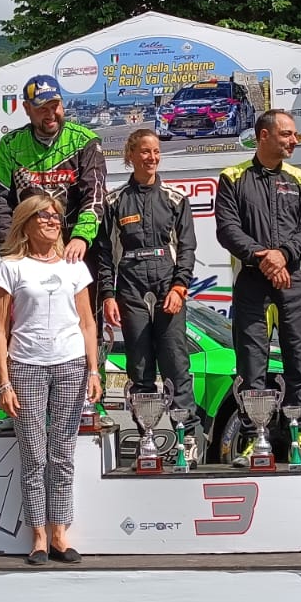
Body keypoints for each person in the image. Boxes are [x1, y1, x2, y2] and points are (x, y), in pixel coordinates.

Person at [0, 194, 103, 565]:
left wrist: (94, 369)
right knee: (33, 453)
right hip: (26, 365)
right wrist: (4, 381)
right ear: (26, 223)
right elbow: (0, 328)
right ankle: (38, 536)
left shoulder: (75, 266)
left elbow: (88, 323)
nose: (53, 221)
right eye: (44, 216)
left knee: (62, 454)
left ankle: (60, 532)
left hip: (71, 364)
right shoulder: (11, 267)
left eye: (57, 216)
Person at [216, 109, 301, 467]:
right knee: (251, 365)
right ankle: (254, 440)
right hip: (251, 282)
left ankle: (300, 438)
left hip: (294, 282)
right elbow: (227, 229)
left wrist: (283, 255)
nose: (294, 140)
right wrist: (263, 258)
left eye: (294, 134)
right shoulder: (233, 177)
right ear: (264, 135)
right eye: (286, 134)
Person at [98, 129, 196, 411]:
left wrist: (179, 287)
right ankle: (146, 431)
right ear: (131, 155)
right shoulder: (114, 201)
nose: (152, 157)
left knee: (175, 361)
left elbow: (187, 248)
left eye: (156, 152)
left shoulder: (175, 198)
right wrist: (108, 295)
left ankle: (185, 430)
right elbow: (105, 253)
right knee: (139, 364)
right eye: (145, 151)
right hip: (130, 284)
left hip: (168, 283)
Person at [0, 74, 106, 269]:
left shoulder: (84, 141)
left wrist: (81, 236)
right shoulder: (11, 145)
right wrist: (9, 248)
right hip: (28, 248)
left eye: (55, 106)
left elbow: (95, 195)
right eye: (42, 108)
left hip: (75, 246)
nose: (51, 114)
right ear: (27, 108)